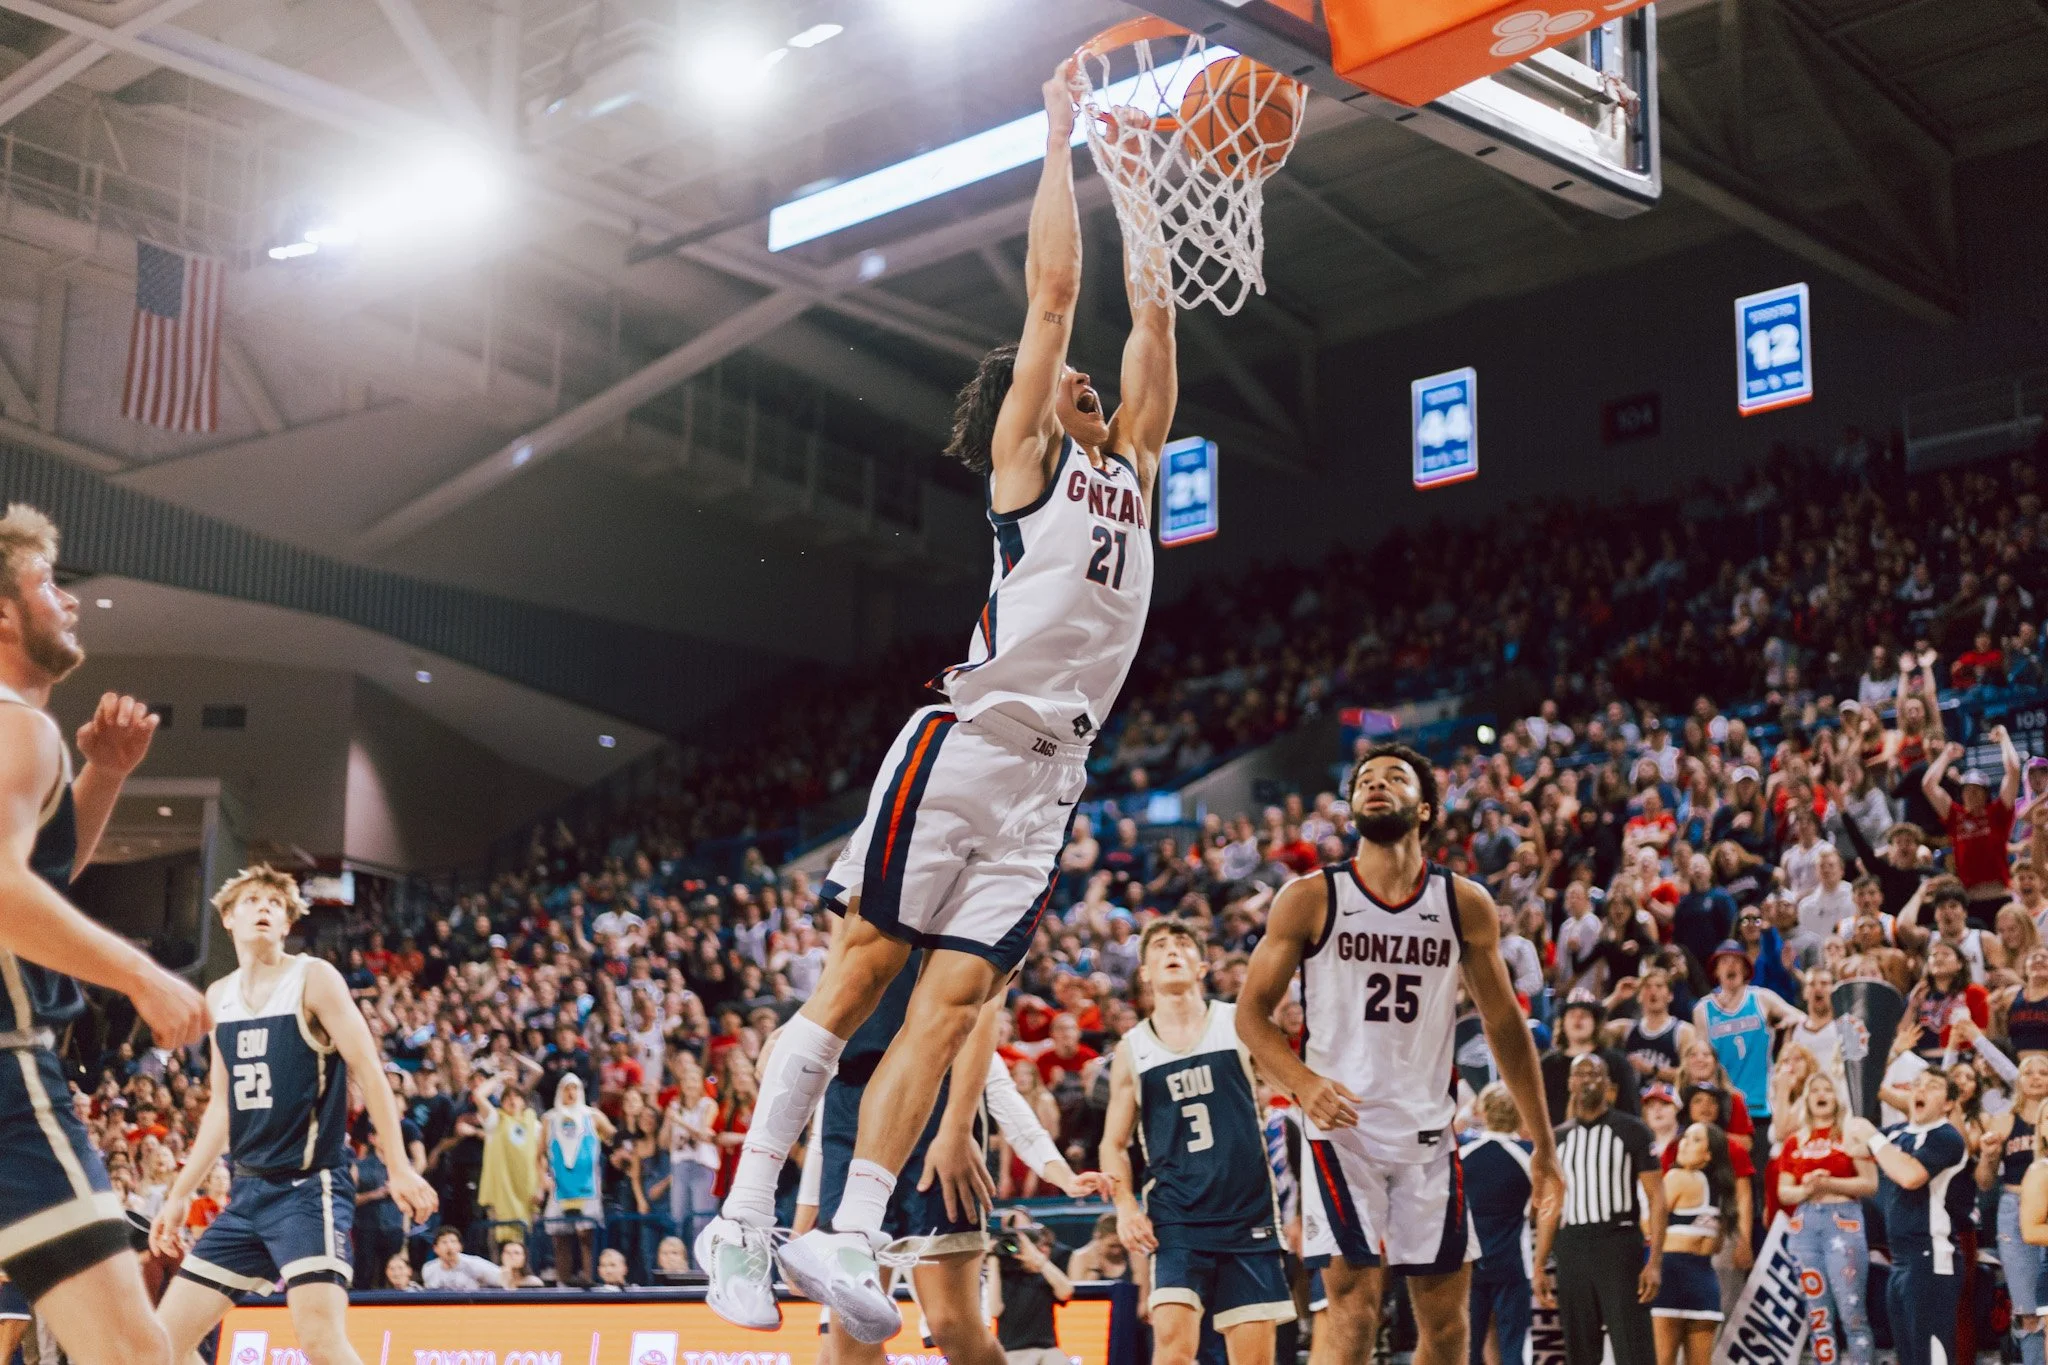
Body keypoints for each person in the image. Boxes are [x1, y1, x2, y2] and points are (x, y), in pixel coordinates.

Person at [702, 58, 1178, 1341]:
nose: (1085, 380)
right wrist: (1062, 138)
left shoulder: (1134, 468)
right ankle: (742, 1217)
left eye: (1088, 380)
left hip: (1051, 783)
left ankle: (851, 1233)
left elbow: (1153, 323)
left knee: (952, 1005)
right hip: (966, 744)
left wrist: (1143, 189)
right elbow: (1055, 296)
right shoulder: (1027, 464)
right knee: (860, 973)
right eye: (1064, 377)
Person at [1237, 744, 1562, 1365]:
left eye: (1394, 777)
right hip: (1341, 1130)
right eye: (1365, 779)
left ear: (1427, 809)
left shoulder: (1463, 903)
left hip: (1430, 1132)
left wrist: (1544, 1143)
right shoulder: (1310, 897)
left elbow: (1505, 1024)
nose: (1376, 784)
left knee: (1447, 1326)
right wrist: (1303, 1083)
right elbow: (1251, 1015)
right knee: (1353, 1311)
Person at [0, 503, 209, 1365]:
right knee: (134, 1353)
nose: (72, 600)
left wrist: (106, 774)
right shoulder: (17, 724)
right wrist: (142, 974)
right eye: (48, 584)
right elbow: (3, 892)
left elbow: (34, 876)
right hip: (5, 1071)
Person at [152, 866, 437, 1363]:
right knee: (158, 1346)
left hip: (308, 1189)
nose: (264, 908)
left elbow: (369, 1072)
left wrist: (398, 1167)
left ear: (287, 923)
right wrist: (179, 1194)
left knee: (320, 1340)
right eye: (252, 900)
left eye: (275, 904)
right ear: (228, 918)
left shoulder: (313, 978)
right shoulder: (219, 996)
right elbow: (222, 1107)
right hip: (247, 1193)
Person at [1100, 920, 1293, 1365]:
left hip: (1247, 1213)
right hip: (1177, 1216)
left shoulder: (1238, 1022)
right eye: (1160, 946)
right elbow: (1113, 1144)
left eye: (1183, 943)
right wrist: (1126, 1206)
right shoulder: (1132, 1048)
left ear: (1202, 966)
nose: (1172, 950)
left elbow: (1290, 1084)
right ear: (1144, 972)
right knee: (1172, 1353)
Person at [1535, 1054, 1666, 1365]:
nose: (1587, 1080)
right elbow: (1550, 1207)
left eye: (1595, 1074)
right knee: (1580, 1349)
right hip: (1571, 1246)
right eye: (1580, 1074)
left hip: (1619, 1244)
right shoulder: (1558, 1138)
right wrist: (1539, 1264)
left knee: (1633, 1346)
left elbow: (1657, 1198)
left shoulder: (1633, 1131)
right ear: (1570, 1083)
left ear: (1609, 1085)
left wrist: (1655, 1261)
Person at [1851, 1070, 1971, 1365]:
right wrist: (1852, 1114)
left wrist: (1872, 1137)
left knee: (1931, 1353)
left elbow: (1910, 1176)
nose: (1921, 1089)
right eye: (1916, 1084)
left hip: (1931, 1256)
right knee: (1908, 1355)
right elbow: (1851, 1146)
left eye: (1933, 1086)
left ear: (1948, 1103)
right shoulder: (1897, 1133)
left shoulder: (1947, 1137)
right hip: (1900, 1258)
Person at [1776, 1071, 1877, 1365]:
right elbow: (1784, 1192)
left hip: (1843, 1219)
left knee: (1852, 1312)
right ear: (1806, 1099)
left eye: (1828, 1089)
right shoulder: (1794, 1141)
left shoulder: (1851, 1135)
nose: (1821, 1094)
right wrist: (1807, 1189)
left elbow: (1870, 1184)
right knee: (1817, 1315)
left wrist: (1829, 1183)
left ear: (1838, 1097)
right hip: (1805, 1223)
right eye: (1815, 1090)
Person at [1693, 942, 1804, 1138]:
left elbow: (1802, 1019)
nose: (1731, 965)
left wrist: (1786, 1027)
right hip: (1725, 1105)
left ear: (1745, 969)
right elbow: (1701, 1062)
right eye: (1724, 961)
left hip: (1762, 1101)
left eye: (1736, 961)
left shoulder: (1761, 998)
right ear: (1716, 971)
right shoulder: (1703, 1009)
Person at [1981, 1054, 2048, 1365]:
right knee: (2027, 1308)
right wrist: (1988, 1156)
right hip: (2015, 1209)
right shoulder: (2004, 1120)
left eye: (2043, 1072)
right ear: (2018, 1080)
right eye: (2028, 1072)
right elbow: (1984, 1182)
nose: (2035, 1077)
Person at [1651, 1122, 1736, 1365]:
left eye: (1696, 1140)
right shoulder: (1723, 1192)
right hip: (1705, 1282)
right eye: (1685, 1137)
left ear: (1709, 1154)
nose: (1685, 1144)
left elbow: (1649, 1226)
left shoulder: (1678, 1177)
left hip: (1670, 1276)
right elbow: (1716, 1246)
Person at [1461, 1084, 1534, 1365]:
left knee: (1470, 1347)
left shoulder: (1463, 1151)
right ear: (1519, 1113)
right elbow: (1542, 1207)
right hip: (1512, 1261)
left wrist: (1469, 1112)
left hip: (1470, 1260)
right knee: (1513, 1346)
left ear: (1482, 1111)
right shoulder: (1529, 1153)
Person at [1923, 727, 2022, 914]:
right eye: (1967, 789)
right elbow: (1928, 785)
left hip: (2000, 895)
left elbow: (2014, 770)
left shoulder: (1997, 813)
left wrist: (2004, 738)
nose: (1971, 793)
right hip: (1970, 900)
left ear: (1985, 794)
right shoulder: (1955, 816)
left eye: (1977, 789)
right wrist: (1946, 755)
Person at [541, 1074, 614, 1287]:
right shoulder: (549, 1119)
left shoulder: (592, 1116)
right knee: (560, 1236)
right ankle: (563, 1282)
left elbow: (614, 1136)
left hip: (587, 1185)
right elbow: (539, 1154)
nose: (571, 1093)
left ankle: (589, 1280)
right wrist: (541, 1178)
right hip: (560, 1186)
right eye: (567, 1088)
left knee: (586, 1236)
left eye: (575, 1088)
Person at [988, 1215, 1071, 1365]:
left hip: (1047, 1350)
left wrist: (1036, 1258)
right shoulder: (1004, 1277)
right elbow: (994, 1310)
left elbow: (1066, 1291)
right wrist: (992, 1259)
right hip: (1013, 1352)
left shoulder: (1045, 1276)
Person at [1610, 968, 1694, 1090]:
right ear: (1639, 996)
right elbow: (1591, 1027)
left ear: (1670, 996)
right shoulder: (1625, 1028)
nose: (1653, 991)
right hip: (1633, 1100)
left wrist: (1653, 1070)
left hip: (1667, 1099)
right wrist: (1616, 997)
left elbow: (1690, 1076)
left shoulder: (1684, 1031)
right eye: (1647, 987)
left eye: (1659, 986)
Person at [419, 1227, 502, 1290]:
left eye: (453, 1241)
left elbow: (502, 1278)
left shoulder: (475, 1264)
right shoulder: (429, 1269)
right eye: (444, 1242)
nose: (449, 1246)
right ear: (435, 1248)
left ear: (460, 1246)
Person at [1065, 1213, 1132, 1283]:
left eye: (1121, 1246)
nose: (1117, 1251)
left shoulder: (1132, 1256)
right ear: (1098, 1238)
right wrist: (1095, 1268)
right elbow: (1079, 1289)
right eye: (1112, 1246)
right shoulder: (1080, 1257)